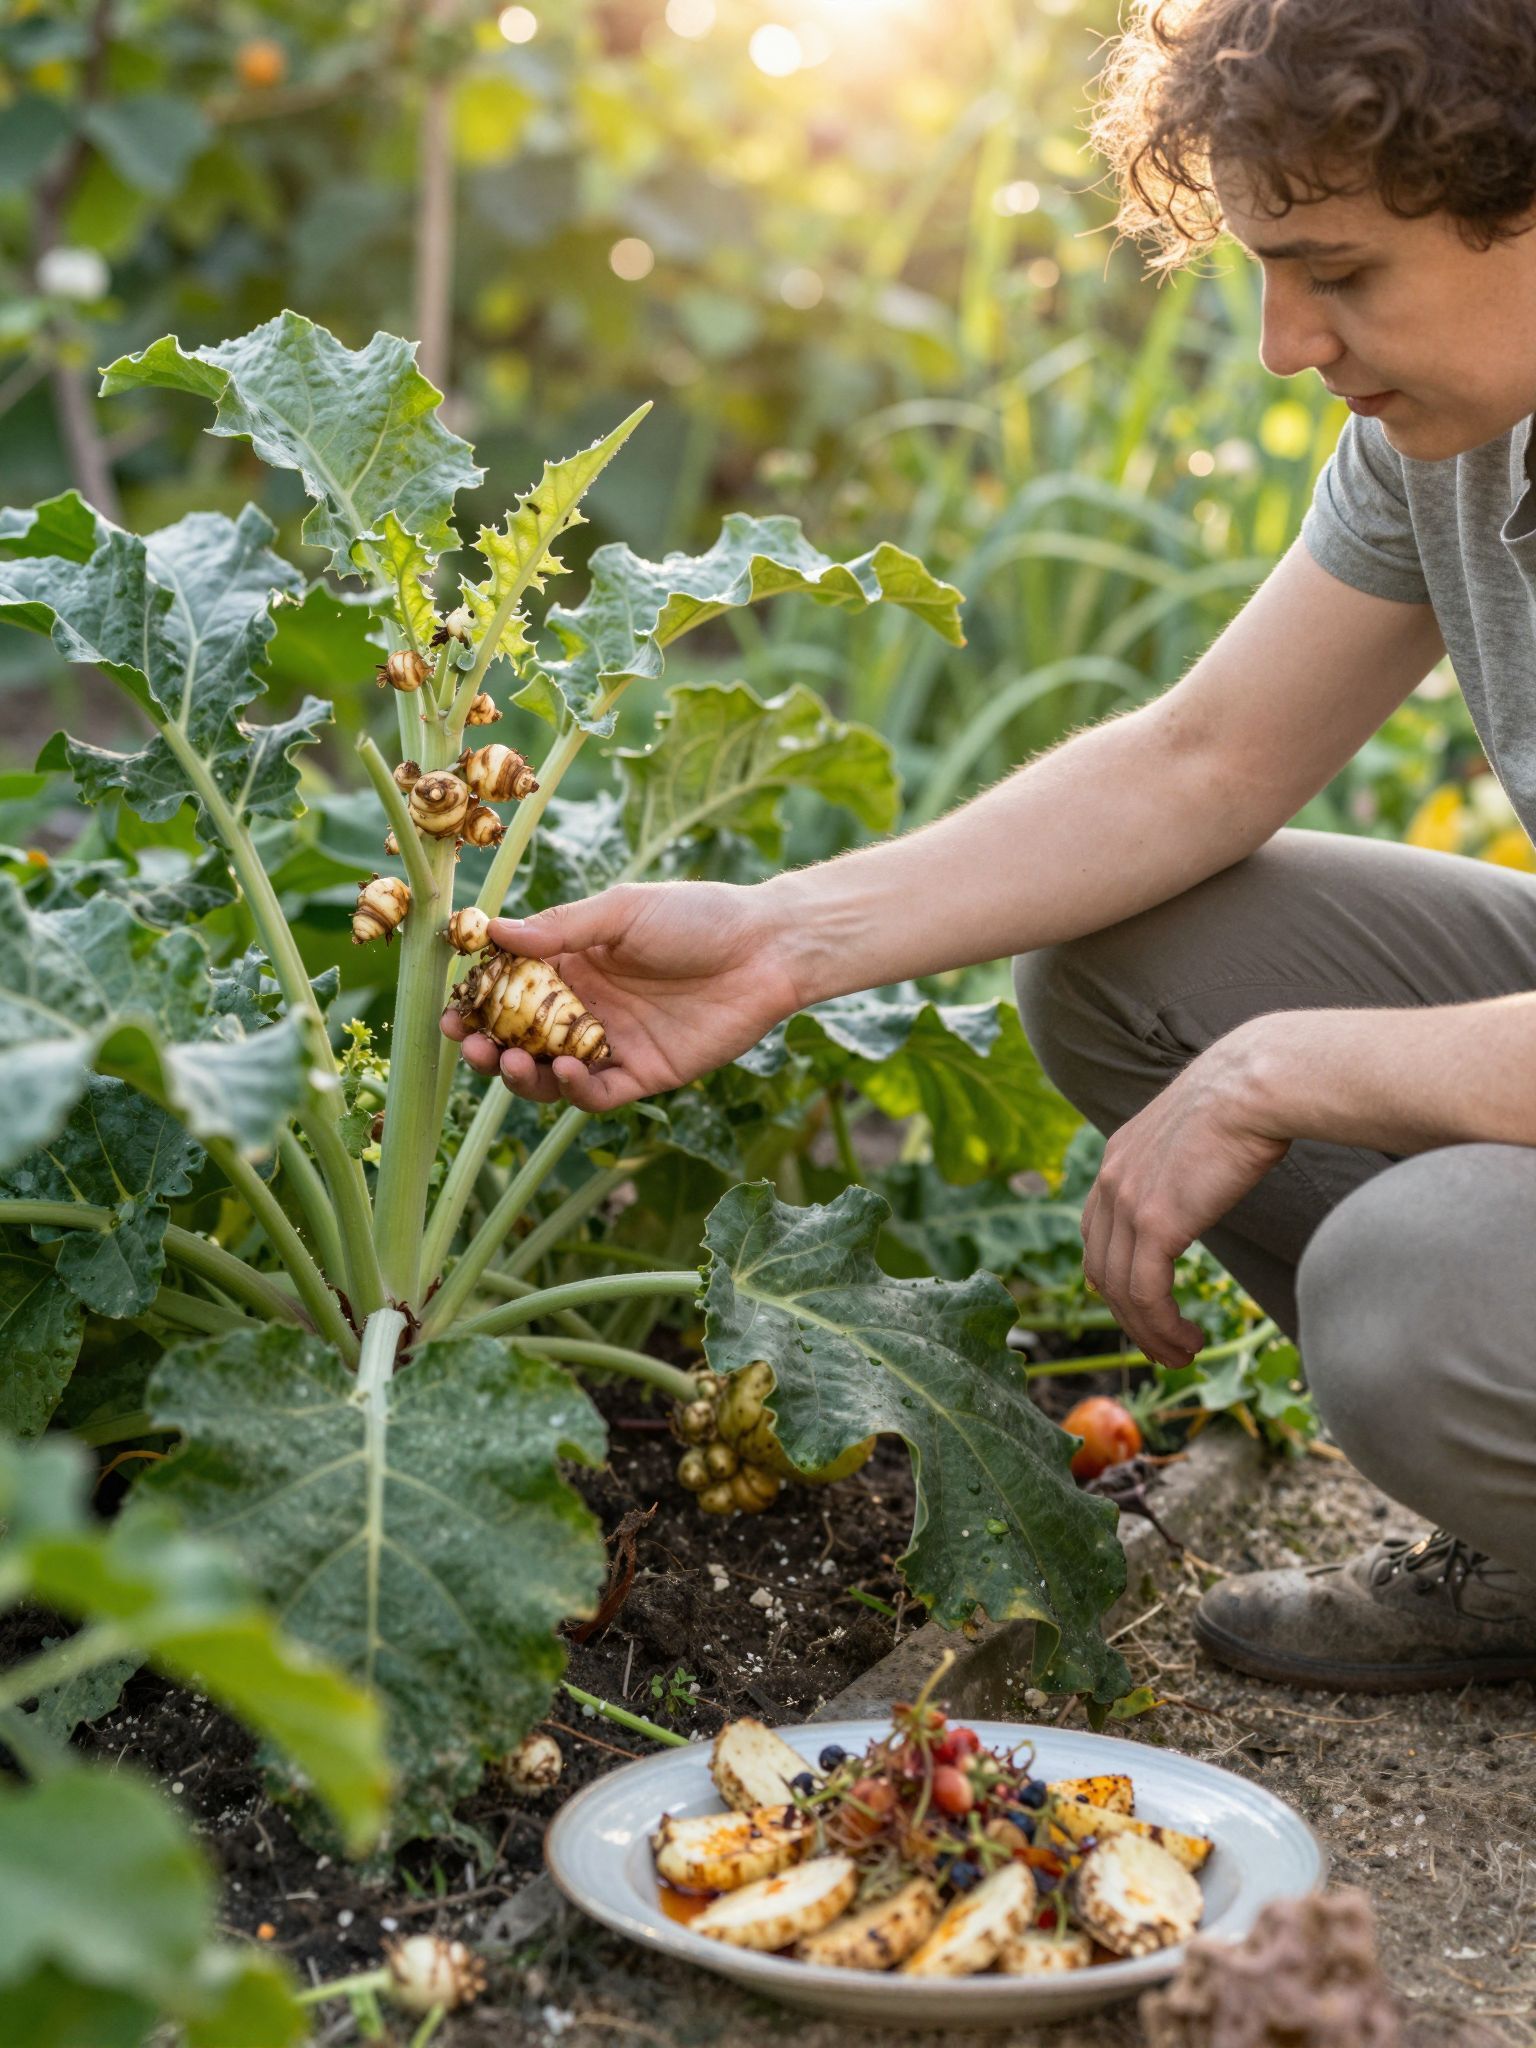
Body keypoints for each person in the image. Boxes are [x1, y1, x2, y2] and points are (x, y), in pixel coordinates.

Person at [443, 0, 1536, 1694]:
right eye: (1264, 268)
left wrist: (1278, 1074)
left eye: (1341, 271)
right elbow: (1201, 759)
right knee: (1137, 968)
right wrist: (783, 938)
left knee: (1417, 1302)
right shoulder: (1451, 435)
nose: (1283, 344)